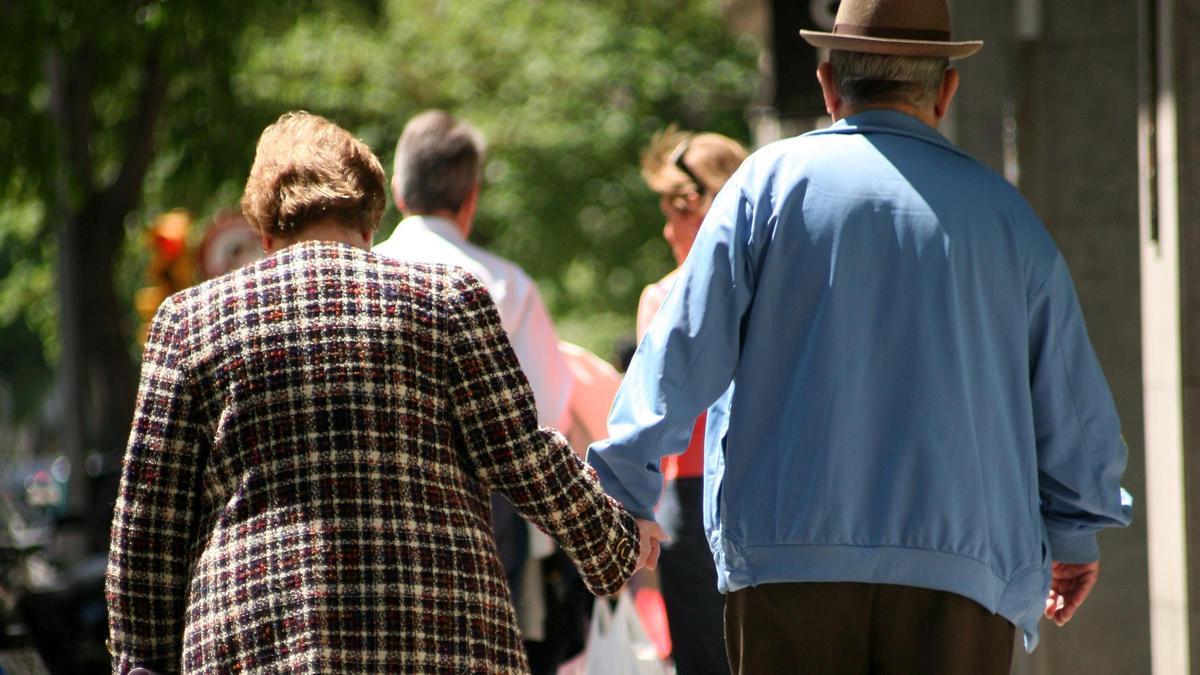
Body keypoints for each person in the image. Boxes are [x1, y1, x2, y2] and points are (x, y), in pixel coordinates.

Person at [587, 0, 1133, 673]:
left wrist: (627, 489)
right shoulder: (1007, 219)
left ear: (827, 82)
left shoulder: (767, 186)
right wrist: (1073, 530)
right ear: (948, 88)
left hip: (786, 563)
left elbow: (680, 350)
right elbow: (1070, 402)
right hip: (962, 573)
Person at [106, 111, 664, 674]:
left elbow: (149, 523)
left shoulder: (192, 320)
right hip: (440, 635)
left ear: (266, 232)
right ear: (371, 220)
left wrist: (143, 660)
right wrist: (613, 540)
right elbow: (520, 453)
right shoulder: (446, 298)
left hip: (260, 637)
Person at [373, 110, 585, 673]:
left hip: (374, 505)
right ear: (470, 198)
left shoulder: (363, 277)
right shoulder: (505, 284)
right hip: (484, 514)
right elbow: (545, 416)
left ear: (396, 191)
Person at [636, 126, 746, 675]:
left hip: (692, 490)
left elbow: (650, 419)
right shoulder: (776, 287)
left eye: (673, 211)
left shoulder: (663, 297)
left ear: (698, 208)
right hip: (766, 488)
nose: (666, 226)